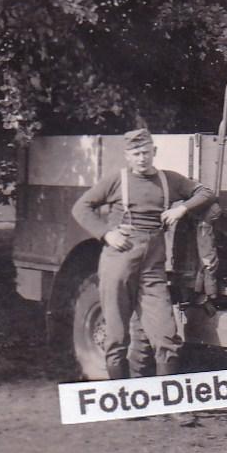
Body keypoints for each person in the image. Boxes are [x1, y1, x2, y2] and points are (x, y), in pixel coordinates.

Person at [71, 128, 217, 383]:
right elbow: (81, 207)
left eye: (146, 152)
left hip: (153, 266)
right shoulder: (117, 181)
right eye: (136, 153)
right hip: (119, 262)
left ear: (154, 151)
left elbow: (205, 192)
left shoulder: (168, 180)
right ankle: (121, 395)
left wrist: (181, 209)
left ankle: (165, 397)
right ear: (127, 155)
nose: (142, 158)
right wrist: (106, 234)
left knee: (166, 335)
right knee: (116, 336)